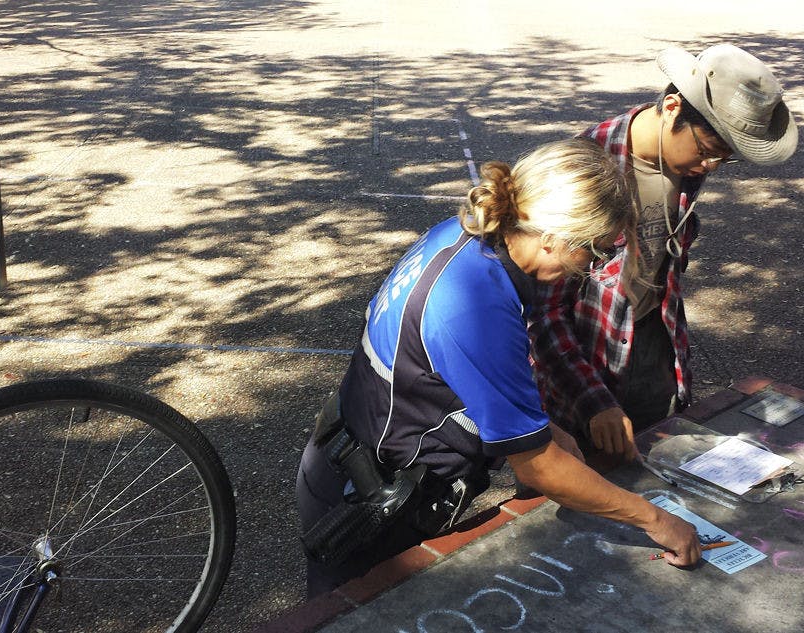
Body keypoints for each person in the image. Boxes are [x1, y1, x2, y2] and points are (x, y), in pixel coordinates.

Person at [295, 138, 701, 597]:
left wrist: (542, 425)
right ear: (553, 237)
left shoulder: (466, 239)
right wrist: (656, 519)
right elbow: (538, 470)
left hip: (352, 459)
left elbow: (465, 377)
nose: (592, 268)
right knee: (353, 615)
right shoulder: (476, 305)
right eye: (595, 253)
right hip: (369, 501)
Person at [529, 44, 799, 463]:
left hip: (655, 336)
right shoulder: (585, 169)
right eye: (708, 150)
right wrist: (593, 399)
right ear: (672, 107)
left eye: (724, 159)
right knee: (583, 484)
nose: (710, 167)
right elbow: (544, 312)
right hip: (582, 359)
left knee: (660, 466)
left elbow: (667, 257)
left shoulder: (685, 161)